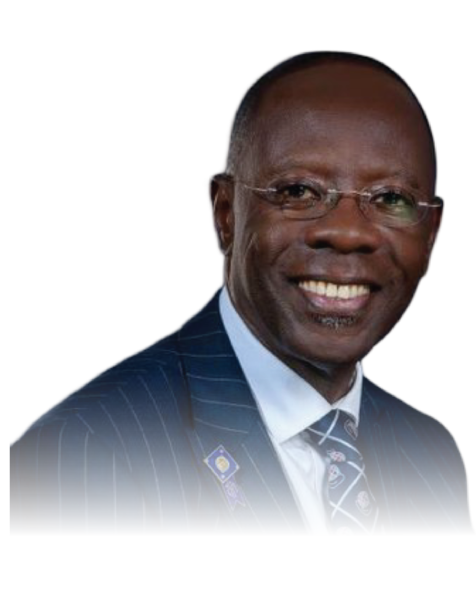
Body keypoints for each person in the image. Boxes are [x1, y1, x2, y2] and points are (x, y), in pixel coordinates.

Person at [9, 49, 474, 536]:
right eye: (299, 191)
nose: (346, 233)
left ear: (432, 235)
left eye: (391, 199)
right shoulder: (90, 450)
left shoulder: (431, 452)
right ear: (225, 214)